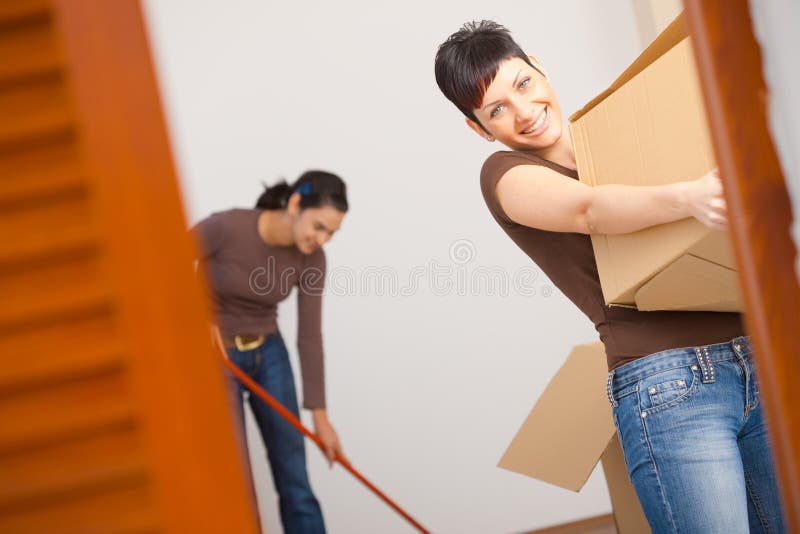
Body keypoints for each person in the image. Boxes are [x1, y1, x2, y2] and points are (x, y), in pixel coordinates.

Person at [434, 21, 785, 533]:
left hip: (755, 354)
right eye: (497, 111)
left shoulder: (624, 146)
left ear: (540, 68)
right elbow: (588, 211)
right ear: (479, 128)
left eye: (523, 84)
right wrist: (690, 197)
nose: (525, 113)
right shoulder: (504, 175)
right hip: (670, 382)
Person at [192, 170, 347, 534]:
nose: (321, 239)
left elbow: (309, 336)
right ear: (296, 203)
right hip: (218, 359)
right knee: (236, 482)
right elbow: (169, 256)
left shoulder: (313, 259)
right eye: (318, 226)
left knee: (294, 475)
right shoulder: (227, 227)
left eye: (331, 233)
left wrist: (320, 419)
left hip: (269, 355)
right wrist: (195, 313)